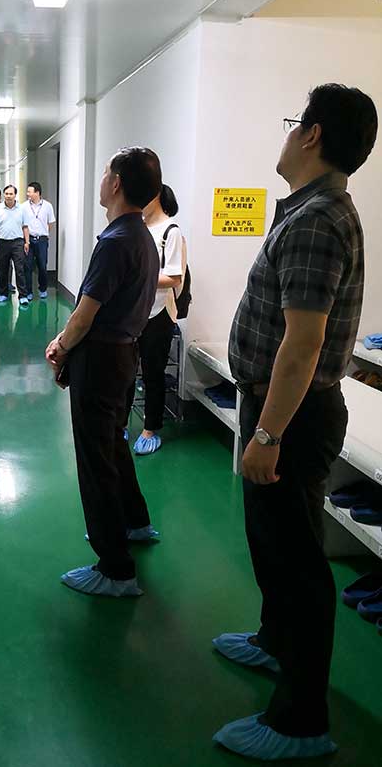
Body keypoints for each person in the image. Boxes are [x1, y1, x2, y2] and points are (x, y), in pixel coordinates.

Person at [213, 84, 378, 760]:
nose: (286, 134)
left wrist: (267, 433)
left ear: (311, 135)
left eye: (293, 123)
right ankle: (275, 640)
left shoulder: (316, 220)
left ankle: (300, 722)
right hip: (280, 408)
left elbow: (303, 343)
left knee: (299, 563)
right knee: (273, 547)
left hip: (294, 416)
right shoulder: (310, 211)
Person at [45, 147, 161, 597]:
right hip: (124, 356)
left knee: (96, 460)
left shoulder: (114, 242)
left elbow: (85, 314)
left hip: (101, 360)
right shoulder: (141, 235)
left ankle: (115, 568)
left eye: (106, 172)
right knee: (112, 443)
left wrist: (61, 347)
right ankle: (135, 521)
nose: (102, 179)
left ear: (115, 184)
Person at [127, 183, 185, 455]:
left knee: (152, 372)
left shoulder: (171, 232)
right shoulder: (137, 228)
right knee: (126, 371)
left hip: (159, 313)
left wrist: (139, 278)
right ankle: (121, 423)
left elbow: (174, 277)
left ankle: (151, 428)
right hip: (133, 311)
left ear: (158, 197)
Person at [0, 185, 30, 306]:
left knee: (20, 269)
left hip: (18, 242)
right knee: (3, 269)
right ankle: (3, 294)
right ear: (4, 195)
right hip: (2, 242)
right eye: (6, 193)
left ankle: (23, 295)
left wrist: (27, 242)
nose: (8, 196)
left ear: (15, 195)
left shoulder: (22, 209)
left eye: (11, 194)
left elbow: (25, 226)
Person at [22, 181, 55, 300]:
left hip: (42, 240)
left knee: (42, 265)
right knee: (28, 266)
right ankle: (28, 291)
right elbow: (22, 224)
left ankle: (43, 289)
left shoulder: (47, 206)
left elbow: (50, 223)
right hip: (28, 239)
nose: (27, 194)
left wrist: (44, 233)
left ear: (37, 193)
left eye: (29, 192)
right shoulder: (24, 206)